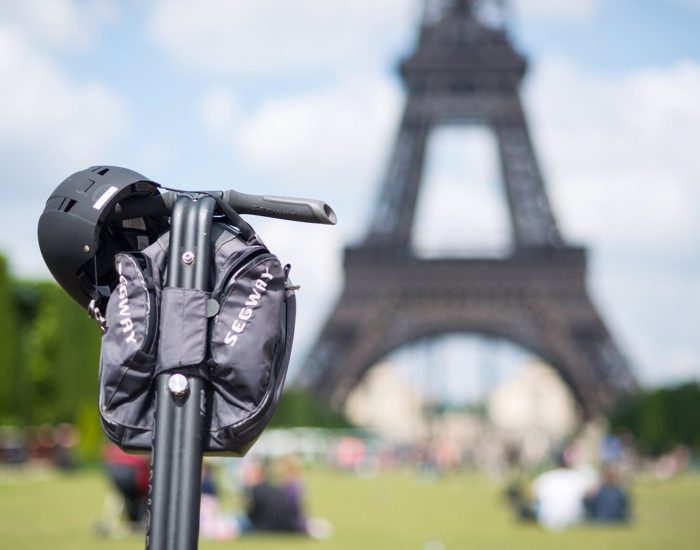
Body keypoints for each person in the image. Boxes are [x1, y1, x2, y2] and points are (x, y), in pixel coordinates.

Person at [531, 451, 594, 531]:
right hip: (574, 519)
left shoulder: (545, 477)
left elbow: (534, 495)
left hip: (547, 519)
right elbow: (591, 493)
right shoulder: (577, 476)